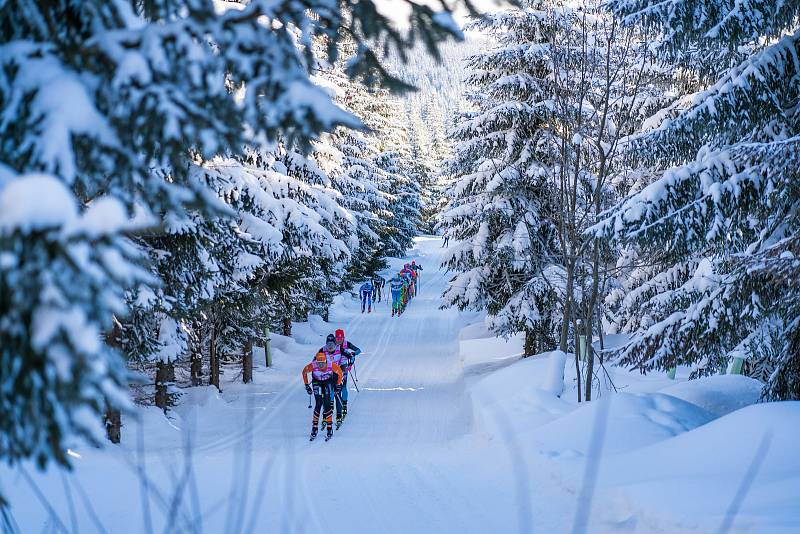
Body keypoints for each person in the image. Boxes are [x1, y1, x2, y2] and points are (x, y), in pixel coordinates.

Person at [302, 351, 343, 441]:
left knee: (327, 403)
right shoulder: (313, 365)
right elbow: (304, 372)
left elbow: (340, 372)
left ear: (325, 361)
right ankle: (314, 428)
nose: (320, 366)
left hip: (328, 381)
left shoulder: (330, 364)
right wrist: (306, 385)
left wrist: (338, 385)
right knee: (319, 403)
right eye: (318, 363)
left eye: (322, 363)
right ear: (316, 362)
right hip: (317, 381)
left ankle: (329, 428)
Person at [332, 328, 361, 425]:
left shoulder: (347, 343)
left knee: (343, 386)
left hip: (343, 366)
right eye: (337, 337)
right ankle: (331, 406)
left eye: (341, 337)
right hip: (334, 367)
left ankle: (344, 405)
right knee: (333, 387)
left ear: (344, 337)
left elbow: (358, 350)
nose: (339, 339)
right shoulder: (332, 344)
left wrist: (353, 353)